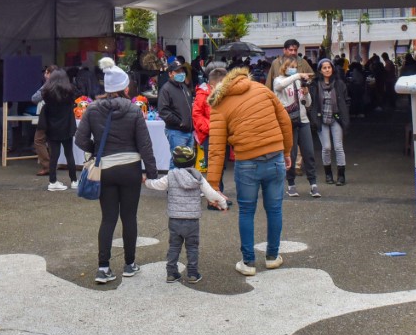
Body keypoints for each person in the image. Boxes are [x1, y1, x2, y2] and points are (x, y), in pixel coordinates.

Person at [74, 57, 159, 284]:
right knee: (129, 217)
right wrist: (152, 173)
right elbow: (145, 144)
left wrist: (96, 151)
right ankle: (130, 264)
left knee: (108, 218)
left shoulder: (92, 109)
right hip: (131, 169)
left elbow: (80, 138)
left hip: (107, 170)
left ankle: (103, 268)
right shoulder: (133, 110)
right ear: (125, 87)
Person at [206, 65, 293, 277]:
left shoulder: (219, 105)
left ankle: (248, 262)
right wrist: (287, 151)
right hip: (275, 158)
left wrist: (213, 186)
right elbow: (285, 121)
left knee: (246, 212)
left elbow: (216, 149)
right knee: (274, 209)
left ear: (213, 86)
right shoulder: (261, 89)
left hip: (247, 163)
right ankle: (272, 257)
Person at [145, 145, 228, 283]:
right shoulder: (197, 176)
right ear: (193, 161)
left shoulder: (170, 176)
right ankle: (193, 274)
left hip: (175, 219)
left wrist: (146, 181)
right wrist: (222, 203)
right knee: (192, 247)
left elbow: (157, 185)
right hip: (192, 220)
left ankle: (171, 273)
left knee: (174, 246)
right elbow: (210, 193)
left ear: (175, 161)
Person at [273, 55, 318, 198]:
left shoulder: (299, 82)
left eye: (294, 67)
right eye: (290, 67)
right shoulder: (278, 80)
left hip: (303, 120)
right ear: (284, 67)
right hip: (288, 122)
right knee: (290, 155)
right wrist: (297, 75)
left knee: (309, 153)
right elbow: (280, 86)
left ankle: (313, 184)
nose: (292, 69)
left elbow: (308, 103)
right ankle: (291, 185)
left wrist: (306, 94)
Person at [309, 58, 350, 186]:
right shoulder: (315, 84)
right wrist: (314, 117)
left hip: (336, 118)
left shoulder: (339, 83)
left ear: (332, 68)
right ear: (320, 70)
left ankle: (341, 175)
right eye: (324, 68)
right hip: (322, 118)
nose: (327, 70)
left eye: (329, 67)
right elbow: (311, 103)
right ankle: (328, 174)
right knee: (326, 147)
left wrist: (345, 112)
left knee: (338, 147)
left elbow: (346, 100)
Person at [42, 68, 78, 192]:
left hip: (52, 128)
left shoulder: (47, 94)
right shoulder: (69, 92)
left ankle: (52, 181)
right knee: (69, 154)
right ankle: (74, 181)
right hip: (67, 127)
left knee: (54, 156)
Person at [157, 58, 195, 153]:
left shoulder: (184, 87)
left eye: (182, 71)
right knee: (178, 161)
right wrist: (180, 122)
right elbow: (163, 111)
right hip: (176, 132)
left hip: (189, 131)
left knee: (187, 161)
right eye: (177, 71)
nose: (181, 73)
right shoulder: (166, 89)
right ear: (170, 74)